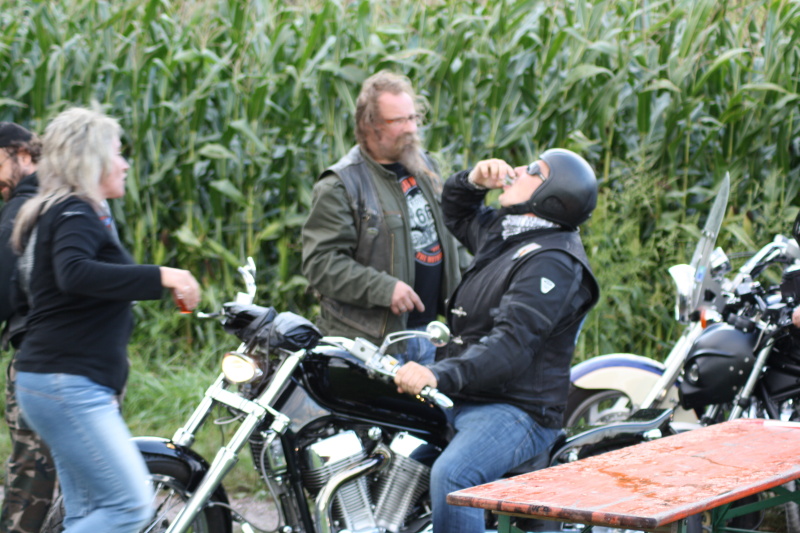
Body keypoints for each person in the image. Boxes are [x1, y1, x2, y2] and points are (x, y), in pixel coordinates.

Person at [9, 107, 201, 532]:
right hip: (67, 383)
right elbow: (75, 273)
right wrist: (163, 275)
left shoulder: (59, 210)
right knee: (128, 507)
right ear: (91, 160)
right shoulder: (74, 211)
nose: (125, 163)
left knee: (86, 513)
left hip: (61, 381)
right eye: (117, 152)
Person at [395, 148, 601, 533]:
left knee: (454, 475)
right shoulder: (510, 231)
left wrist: (439, 374)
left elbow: (509, 348)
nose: (518, 170)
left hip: (517, 409)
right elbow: (457, 213)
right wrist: (472, 182)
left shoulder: (553, 262)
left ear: (552, 197)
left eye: (534, 170)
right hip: (472, 392)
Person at [302, 70, 461, 364]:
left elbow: (449, 238)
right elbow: (321, 264)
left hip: (429, 335)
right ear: (369, 125)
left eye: (413, 118)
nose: (411, 128)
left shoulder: (425, 167)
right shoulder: (341, 185)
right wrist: (385, 288)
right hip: (370, 344)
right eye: (398, 121)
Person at [0, 123, 55, 533]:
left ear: (22, 154)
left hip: (40, 360)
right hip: (78, 360)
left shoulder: (24, 207)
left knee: (29, 478)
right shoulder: (67, 198)